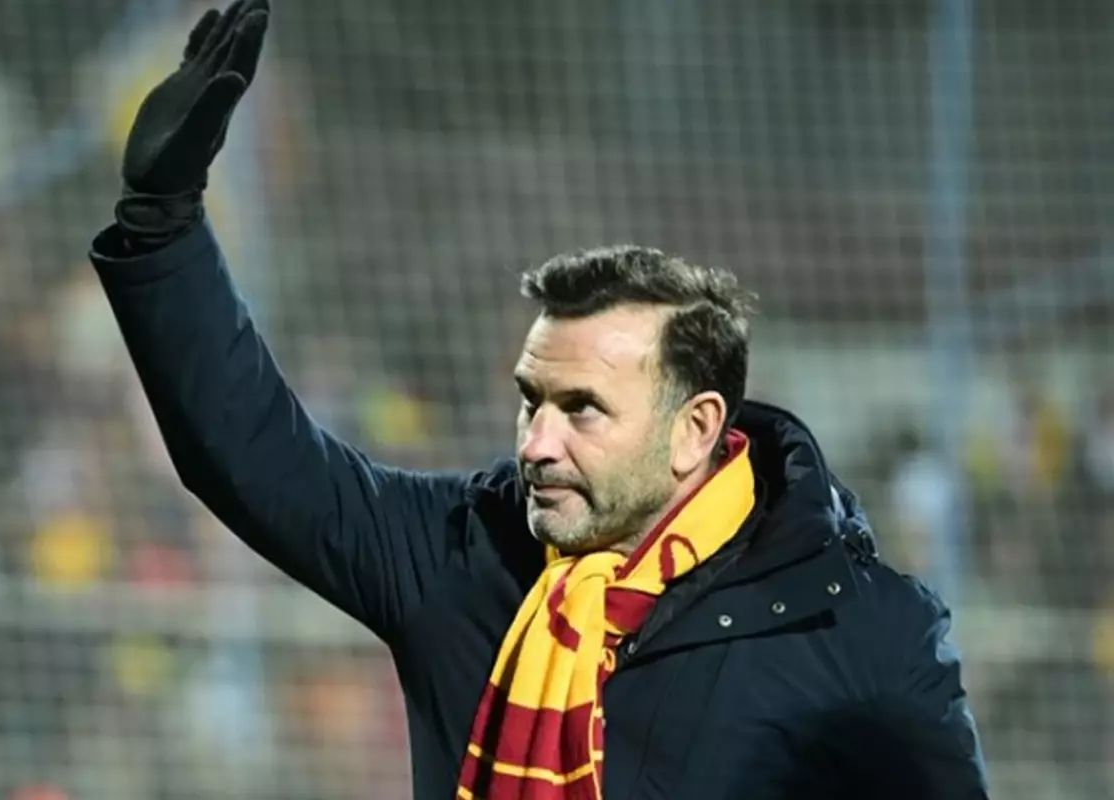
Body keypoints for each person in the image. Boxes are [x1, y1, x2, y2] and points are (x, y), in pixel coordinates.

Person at [89, 1, 990, 797]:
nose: (537, 442)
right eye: (533, 401)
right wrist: (163, 225)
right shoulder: (467, 557)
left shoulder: (861, 628)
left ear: (695, 430)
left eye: (583, 409)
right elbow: (254, 454)